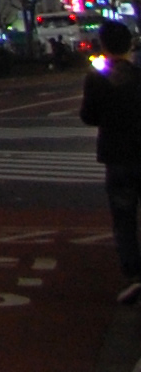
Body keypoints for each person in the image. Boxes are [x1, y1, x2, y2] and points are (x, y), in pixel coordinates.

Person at [83, 19, 141, 303]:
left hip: (117, 155)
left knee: (124, 218)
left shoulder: (98, 77)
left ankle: (134, 274)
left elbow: (89, 115)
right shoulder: (138, 74)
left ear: (104, 45)